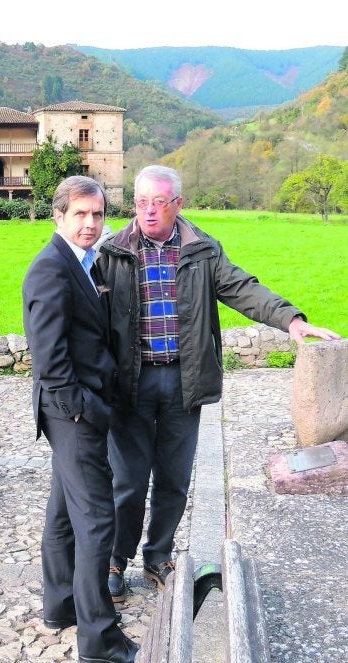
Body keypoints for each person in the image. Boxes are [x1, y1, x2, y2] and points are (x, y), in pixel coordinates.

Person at [96, 164, 342, 601]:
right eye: (141, 202)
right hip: (129, 384)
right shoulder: (111, 252)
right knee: (128, 479)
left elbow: (243, 287)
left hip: (182, 381)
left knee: (173, 477)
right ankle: (116, 558)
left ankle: (158, 555)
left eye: (159, 202)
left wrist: (291, 319)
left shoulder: (202, 250)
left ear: (178, 204)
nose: (149, 211)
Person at [23, 176, 139, 663]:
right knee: (96, 521)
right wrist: (84, 410)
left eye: (97, 214)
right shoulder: (51, 269)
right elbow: (48, 359)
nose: (90, 223)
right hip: (73, 411)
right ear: (59, 217)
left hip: (79, 407)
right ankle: (99, 638)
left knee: (63, 512)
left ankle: (60, 605)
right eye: (80, 214)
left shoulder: (85, 263)